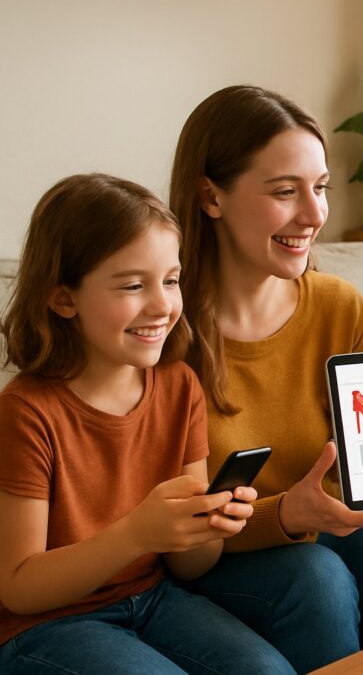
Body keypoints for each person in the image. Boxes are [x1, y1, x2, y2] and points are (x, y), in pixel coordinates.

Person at [170, 85, 363, 670]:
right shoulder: (164, 331)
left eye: (320, 188)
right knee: (316, 579)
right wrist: (286, 515)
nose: (315, 215)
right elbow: (173, 537)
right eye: (285, 191)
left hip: (324, 522)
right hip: (214, 555)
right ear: (210, 195)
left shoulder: (338, 305)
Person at [0, 174, 292, 673]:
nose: (162, 306)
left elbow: (189, 565)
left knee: (268, 669)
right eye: (134, 286)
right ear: (63, 298)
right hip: (46, 625)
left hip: (153, 598)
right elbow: (19, 586)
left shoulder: (179, 387)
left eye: (171, 280)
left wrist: (208, 526)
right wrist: (136, 534)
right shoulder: (25, 412)